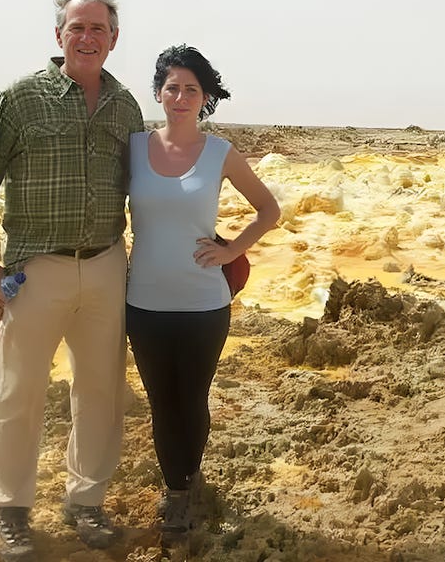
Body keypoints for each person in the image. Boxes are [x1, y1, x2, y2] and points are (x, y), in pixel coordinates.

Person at [0, 0, 144, 561]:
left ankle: (86, 500)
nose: (87, 37)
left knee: (101, 391)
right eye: (77, 27)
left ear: (114, 39)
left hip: (106, 264)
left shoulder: (126, 106)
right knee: (18, 392)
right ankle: (11, 510)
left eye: (98, 29)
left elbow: (142, 188)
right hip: (35, 268)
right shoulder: (19, 99)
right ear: (58, 35)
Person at [126, 45, 280, 533]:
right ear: (158, 93)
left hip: (203, 304)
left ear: (205, 97)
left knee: (192, 399)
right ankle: (175, 485)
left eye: (191, 89)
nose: (180, 97)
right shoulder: (133, 147)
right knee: (160, 401)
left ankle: (185, 489)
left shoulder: (220, 153)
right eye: (172, 87)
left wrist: (231, 251)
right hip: (143, 302)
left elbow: (269, 210)